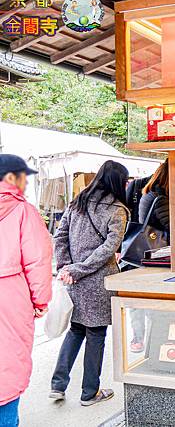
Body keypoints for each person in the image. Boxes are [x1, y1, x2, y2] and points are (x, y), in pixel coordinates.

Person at [49, 160, 129, 406]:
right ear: (118, 183)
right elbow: (109, 248)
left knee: (75, 331)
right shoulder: (117, 209)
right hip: (97, 282)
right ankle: (89, 392)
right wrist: (79, 269)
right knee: (96, 334)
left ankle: (57, 386)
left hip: (74, 280)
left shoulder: (78, 203)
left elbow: (60, 236)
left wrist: (66, 267)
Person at [0, 155, 53, 427]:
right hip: (9, 298)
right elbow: (38, 259)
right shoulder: (23, 211)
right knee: (6, 365)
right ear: (11, 178)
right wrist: (40, 301)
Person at [129, 160, 170, 353]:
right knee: (152, 304)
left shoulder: (149, 193)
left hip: (147, 255)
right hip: (155, 255)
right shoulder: (161, 199)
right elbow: (173, 229)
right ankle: (152, 347)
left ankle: (139, 338)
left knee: (140, 301)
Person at [139, 160, 170, 236]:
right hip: (156, 242)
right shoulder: (160, 198)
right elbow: (171, 226)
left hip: (148, 239)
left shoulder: (150, 192)